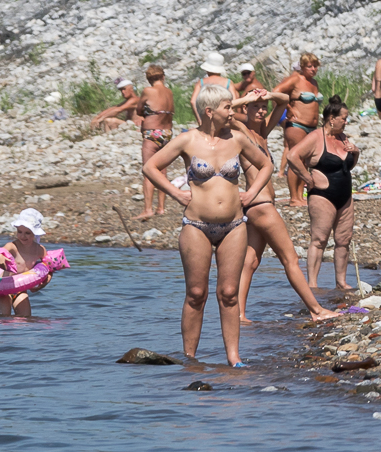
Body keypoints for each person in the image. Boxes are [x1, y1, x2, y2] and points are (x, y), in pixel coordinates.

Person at [144, 85, 270, 364]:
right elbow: (150, 167)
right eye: (228, 107)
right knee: (196, 293)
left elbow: (266, 165)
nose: (233, 112)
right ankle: (190, 358)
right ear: (209, 111)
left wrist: (251, 193)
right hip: (196, 226)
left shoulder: (238, 139)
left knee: (228, 294)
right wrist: (176, 193)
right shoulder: (187, 140)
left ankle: (234, 358)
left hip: (234, 225)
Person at [231, 97, 339, 325]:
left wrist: (266, 96)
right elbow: (225, 111)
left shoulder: (261, 134)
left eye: (263, 108)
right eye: (255, 107)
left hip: (257, 206)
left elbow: (283, 102)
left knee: (251, 261)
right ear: (245, 109)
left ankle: (238, 315)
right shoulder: (240, 130)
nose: (260, 111)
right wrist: (247, 98)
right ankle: (316, 310)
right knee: (290, 258)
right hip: (260, 205)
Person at [287, 96, 360, 292]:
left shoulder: (342, 138)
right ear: (331, 119)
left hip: (345, 196)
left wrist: (356, 153)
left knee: (344, 240)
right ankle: (312, 285)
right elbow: (292, 156)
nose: (346, 122)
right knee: (319, 240)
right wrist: (306, 178)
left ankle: (341, 282)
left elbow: (348, 166)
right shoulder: (316, 138)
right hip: (322, 195)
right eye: (344, 118)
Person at [0, 209, 61, 317]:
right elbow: (0, 251)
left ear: (35, 233)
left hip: (20, 290)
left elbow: (49, 268)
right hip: (3, 290)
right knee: (5, 319)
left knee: (25, 319)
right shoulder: (13, 246)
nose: (22, 236)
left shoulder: (39, 250)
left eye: (27, 233)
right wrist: (1, 258)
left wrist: (44, 283)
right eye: (19, 232)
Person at [271, 53, 325, 206]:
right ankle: (294, 197)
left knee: (305, 162)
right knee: (296, 160)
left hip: (311, 126)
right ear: (302, 67)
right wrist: (287, 108)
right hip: (297, 125)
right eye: (309, 66)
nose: (313, 69)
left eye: (315, 66)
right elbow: (276, 91)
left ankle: (300, 196)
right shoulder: (295, 79)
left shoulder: (313, 82)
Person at [134, 64, 176, 219]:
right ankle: (161, 208)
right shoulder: (169, 92)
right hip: (167, 133)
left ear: (148, 78)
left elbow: (139, 110)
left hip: (152, 133)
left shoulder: (147, 91)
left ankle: (147, 210)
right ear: (163, 76)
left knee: (148, 171)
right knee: (162, 172)